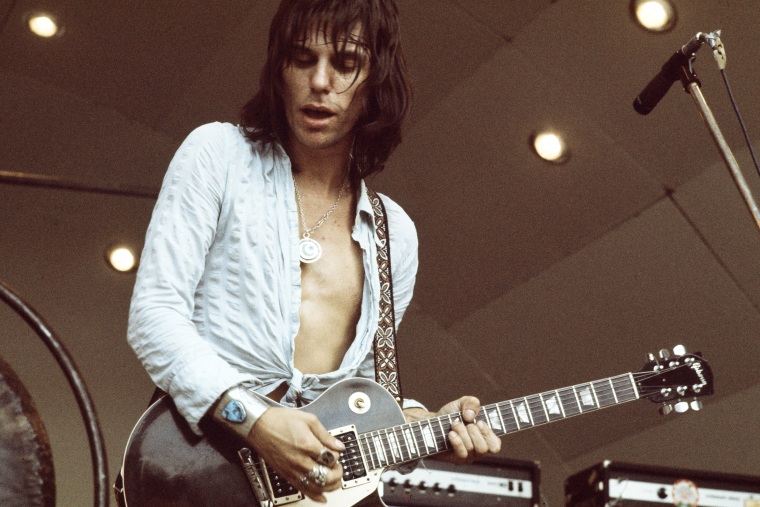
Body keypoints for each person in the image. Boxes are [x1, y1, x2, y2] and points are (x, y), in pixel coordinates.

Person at [127, 0, 501, 503]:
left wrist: (425, 423)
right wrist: (255, 421)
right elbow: (154, 316)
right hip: (197, 471)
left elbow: (363, 397)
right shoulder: (218, 155)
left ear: (376, 81)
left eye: (345, 64)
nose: (320, 81)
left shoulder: (395, 233)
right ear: (279, 70)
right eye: (302, 59)